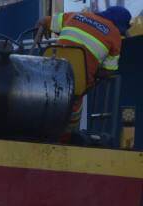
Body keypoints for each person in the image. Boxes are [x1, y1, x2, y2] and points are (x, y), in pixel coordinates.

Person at [35, 6, 131, 140]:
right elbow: (108, 71)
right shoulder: (115, 35)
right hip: (75, 86)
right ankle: (67, 139)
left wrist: (40, 31)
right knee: (75, 103)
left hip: (49, 75)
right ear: (120, 25)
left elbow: (44, 20)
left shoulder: (77, 15)